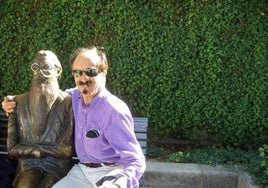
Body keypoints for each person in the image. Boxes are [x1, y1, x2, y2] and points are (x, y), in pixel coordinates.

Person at [2, 46, 146, 188]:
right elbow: (49, 97)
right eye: (78, 72)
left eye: (91, 71)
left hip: (109, 172)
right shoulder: (74, 97)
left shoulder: (114, 110)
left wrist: (118, 185)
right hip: (82, 171)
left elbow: (135, 161)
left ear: (103, 73)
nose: (84, 78)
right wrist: (10, 102)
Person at [5, 50, 74, 188]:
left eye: (46, 67)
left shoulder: (68, 103)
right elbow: (11, 148)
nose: (40, 72)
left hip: (57, 167)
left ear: (58, 71)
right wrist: (38, 151)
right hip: (27, 167)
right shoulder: (16, 102)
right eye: (35, 67)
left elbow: (67, 150)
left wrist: (36, 150)